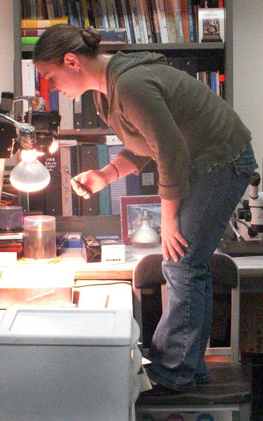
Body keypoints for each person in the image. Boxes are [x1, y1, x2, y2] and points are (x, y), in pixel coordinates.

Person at [33, 25, 258, 392]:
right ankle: (188, 366)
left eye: (50, 77)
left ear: (71, 61)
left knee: (182, 260)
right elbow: (145, 145)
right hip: (199, 162)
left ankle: (176, 371)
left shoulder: (130, 84)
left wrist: (167, 218)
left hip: (223, 159)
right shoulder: (106, 93)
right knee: (182, 261)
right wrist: (105, 175)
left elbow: (170, 152)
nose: (51, 87)